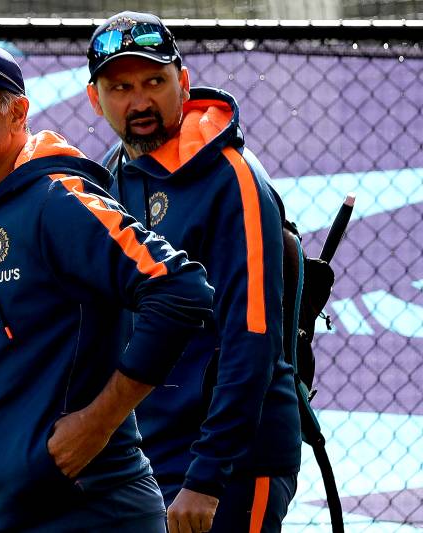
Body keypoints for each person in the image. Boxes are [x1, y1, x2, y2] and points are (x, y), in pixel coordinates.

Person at [0, 37, 214, 532]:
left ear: (16, 111)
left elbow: (180, 288)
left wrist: (98, 422)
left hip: (85, 513)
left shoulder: (57, 198)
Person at [85, 12, 302, 533]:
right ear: (96, 99)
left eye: (154, 82)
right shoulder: (104, 181)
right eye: (121, 87)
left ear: (182, 83)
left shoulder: (233, 179)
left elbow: (251, 338)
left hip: (230, 467)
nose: (139, 102)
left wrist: (207, 476)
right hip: (142, 464)